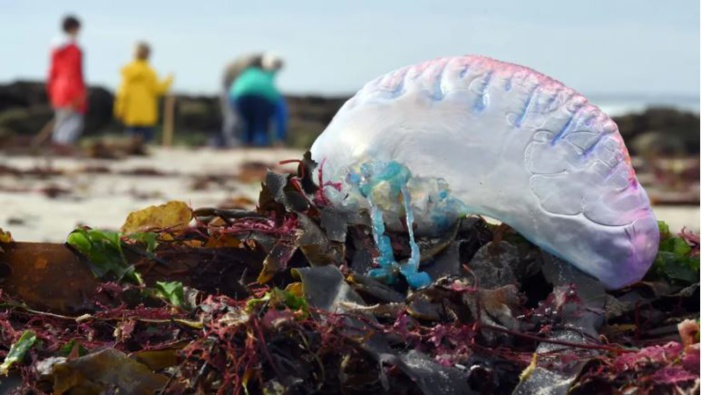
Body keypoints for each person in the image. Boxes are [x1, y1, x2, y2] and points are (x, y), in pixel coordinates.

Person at [114, 42, 173, 143]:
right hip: (147, 114)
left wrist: (119, 109)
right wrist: (169, 80)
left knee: (131, 142)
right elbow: (158, 90)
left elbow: (122, 93)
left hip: (131, 114)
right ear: (148, 55)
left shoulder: (128, 70)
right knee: (146, 143)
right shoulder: (149, 72)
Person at [228, 54, 287, 147]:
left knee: (247, 124)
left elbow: (233, 92)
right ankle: (260, 144)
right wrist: (279, 138)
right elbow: (281, 115)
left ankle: (246, 144)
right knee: (260, 125)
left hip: (239, 96)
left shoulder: (247, 72)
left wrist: (232, 104)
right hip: (264, 98)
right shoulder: (269, 79)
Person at [47, 15, 86, 148]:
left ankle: (58, 150)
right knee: (72, 124)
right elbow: (73, 72)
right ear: (72, 28)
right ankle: (63, 150)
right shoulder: (72, 49)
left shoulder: (55, 48)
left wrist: (52, 92)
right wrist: (78, 94)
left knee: (61, 123)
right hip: (71, 89)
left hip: (58, 89)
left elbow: (52, 73)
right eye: (78, 29)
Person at [219, 53, 265, 147]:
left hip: (238, 85)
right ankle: (231, 141)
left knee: (238, 115)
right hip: (230, 81)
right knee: (232, 114)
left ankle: (240, 140)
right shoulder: (248, 64)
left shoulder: (255, 64)